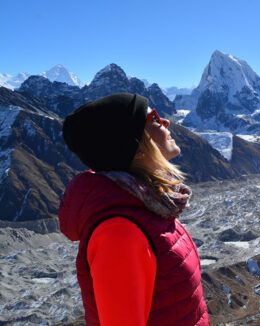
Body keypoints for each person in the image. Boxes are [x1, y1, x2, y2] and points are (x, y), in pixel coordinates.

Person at [58, 93, 209, 326]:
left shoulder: (149, 205)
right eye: (154, 119)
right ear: (135, 144)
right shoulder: (120, 232)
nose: (166, 122)